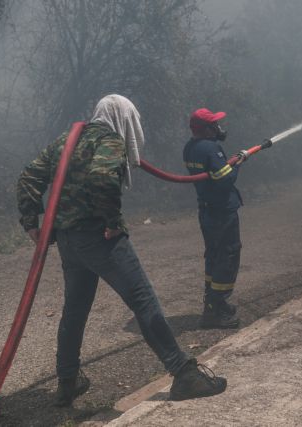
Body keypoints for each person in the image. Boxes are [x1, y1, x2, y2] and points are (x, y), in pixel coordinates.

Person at [16, 94, 226, 407]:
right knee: (143, 299)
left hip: (69, 241)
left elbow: (28, 176)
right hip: (100, 236)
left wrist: (31, 221)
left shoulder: (67, 140)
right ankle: (184, 374)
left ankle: (68, 381)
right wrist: (112, 220)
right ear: (124, 119)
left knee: (74, 309)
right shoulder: (110, 140)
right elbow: (102, 177)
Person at [183, 108, 245, 329]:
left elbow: (212, 174)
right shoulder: (211, 148)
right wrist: (237, 163)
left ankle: (212, 303)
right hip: (222, 212)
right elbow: (224, 180)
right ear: (207, 129)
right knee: (227, 255)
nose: (219, 128)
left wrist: (228, 163)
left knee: (213, 255)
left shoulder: (190, 148)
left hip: (207, 211)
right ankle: (215, 310)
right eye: (215, 125)